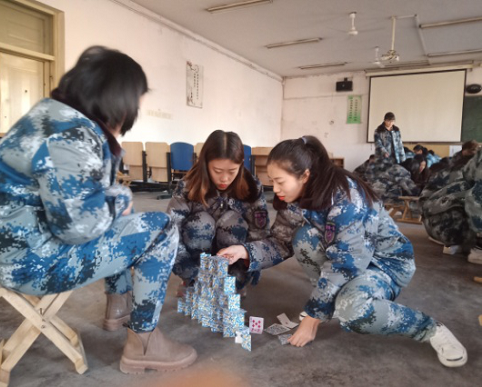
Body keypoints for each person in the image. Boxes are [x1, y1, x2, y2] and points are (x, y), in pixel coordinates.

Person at [0, 46, 197, 374]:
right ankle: (144, 342)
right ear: (117, 98)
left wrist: (113, 200)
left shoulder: (49, 117)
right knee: (160, 227)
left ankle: (119, 305)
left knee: (119, 218)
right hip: (30, 264)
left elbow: (85, 194)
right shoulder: (72, 135)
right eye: (135, 100)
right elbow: (79, 227)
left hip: (10, 251)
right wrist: (120, 201)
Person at [219, 135, 467, 367]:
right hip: (353, 261)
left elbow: (346, 262)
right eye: (272, 180)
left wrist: (313, 317)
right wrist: (244, 250)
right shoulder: (297, 198)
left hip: (385, 264)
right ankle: (333, 301)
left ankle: (430, 328)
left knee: (353, 311)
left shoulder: (346, 197)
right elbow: (281, 241)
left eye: (279, 181)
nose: (275, 188)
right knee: (303, 238)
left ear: (304, 175)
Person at [167, 130, 270, 294]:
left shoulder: (252, 186)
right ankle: (194, 281)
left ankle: (231, 281)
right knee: (201, 222)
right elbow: (171, 230)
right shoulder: (189, 185)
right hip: (197, 256)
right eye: (217, 170)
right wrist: (188, 271)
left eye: (232, 171)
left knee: (234, 223)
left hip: (235, 257)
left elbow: (260, 233)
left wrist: (245, 271)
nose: (224, 179)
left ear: (242, 163)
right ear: (205, 162)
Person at [422, 145, 482, 262]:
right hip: (444, 223)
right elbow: (476, 199)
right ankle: (478, 249)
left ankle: (463, 244)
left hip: (435, 218)